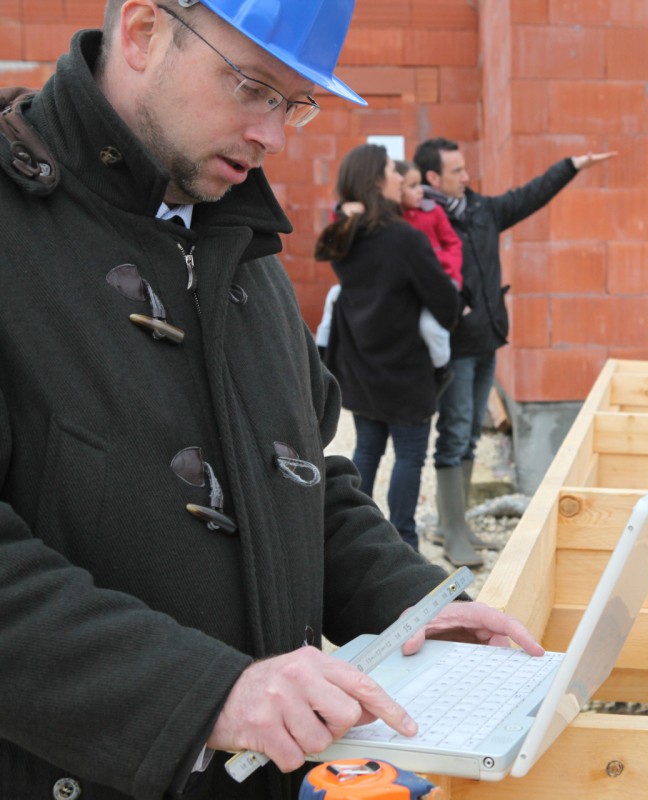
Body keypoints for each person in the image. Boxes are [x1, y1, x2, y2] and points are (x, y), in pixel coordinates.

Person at [0, 3, 542, 799]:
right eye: (251, 87)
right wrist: (203, 695)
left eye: (293, 103)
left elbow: (302, 485)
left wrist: (413, 606)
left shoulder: (240, 245)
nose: (274, 135)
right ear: (144, 33)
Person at [413, 137, 614, 567]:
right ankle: (451, 532)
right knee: (454, 433)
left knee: (469, 434)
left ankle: (455, 524)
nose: (466, 176)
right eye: (456, 171)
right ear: (433, 178)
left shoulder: (481, 210)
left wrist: (571, 166)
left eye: (465, 168)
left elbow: (528, 197)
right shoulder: (422, 219)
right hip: (455, 346)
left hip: (488, 340)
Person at [316, 145, 461, 554]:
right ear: (375, 181)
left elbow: (329, 243)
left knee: (367, 449)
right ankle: (405, 544)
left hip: (361, 364)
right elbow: (446, 304)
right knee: (410, 456)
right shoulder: (404, 239)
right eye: (392, 172)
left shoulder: (347, 236)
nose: (400, 178)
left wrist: (344, 210)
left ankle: (353, 539)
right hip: (406, 368)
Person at [396, 159, 463, 394]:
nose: (420, 191)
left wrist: (447, 268)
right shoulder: (393, 218)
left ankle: (442, 368)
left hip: (439, 282)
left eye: (419, 185)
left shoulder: (433, 211)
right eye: (412, 186)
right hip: (409, 288)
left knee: (430, 327)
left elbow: (453, 243)